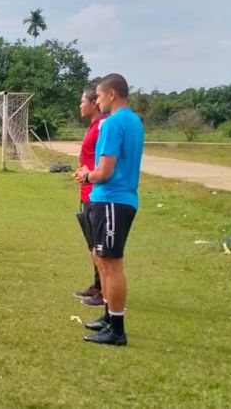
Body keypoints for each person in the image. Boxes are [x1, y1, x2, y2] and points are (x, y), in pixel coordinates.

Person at [74, 73, 144, 347]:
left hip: (113, 200)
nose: (97, 101)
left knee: (112, 264)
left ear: (112, 94)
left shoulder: (113, 124)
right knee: (100, 258)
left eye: (100, 96)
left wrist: (86, 175)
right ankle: (107, 316)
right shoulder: (134, 121)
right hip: (116, 199)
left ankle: (117, 329)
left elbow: (104, 171)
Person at [73, 81, 108, 307]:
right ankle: (97, 286)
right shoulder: (93, 126)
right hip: (87, 191)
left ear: (95, 103)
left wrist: (90, 174)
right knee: (92, 245)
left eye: (83, 101)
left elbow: (105, 162)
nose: (80, 106)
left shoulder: (103, 125)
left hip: (97, 193)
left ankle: (104, 291)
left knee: (99, 246)